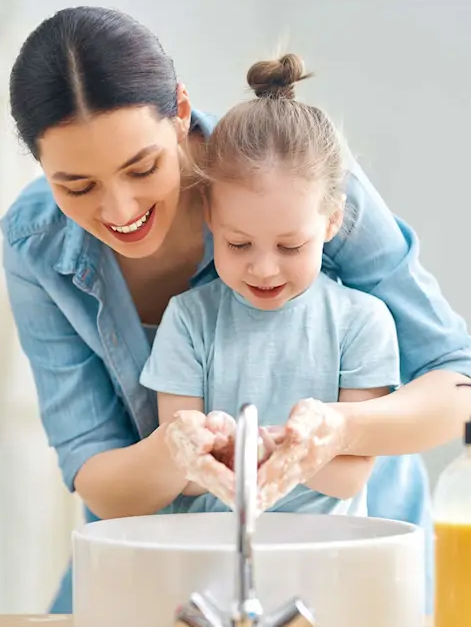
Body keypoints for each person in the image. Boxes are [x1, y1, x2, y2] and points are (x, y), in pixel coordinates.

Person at [3, 6, 471, 613]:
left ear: (180, 112)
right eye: (77, 186)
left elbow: (462, 387)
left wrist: (342, 430)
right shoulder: (37, 244)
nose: (118, 207)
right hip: (168, 562)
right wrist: (172, 452)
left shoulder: (298, 176)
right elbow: (94, 471)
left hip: (351, 559)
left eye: (142, 166)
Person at [140, 53, 402, 516]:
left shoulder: (362, 323)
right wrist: (211, 447)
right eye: (239, 244)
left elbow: (349, 476)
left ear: (332, 221)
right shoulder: (188, 320)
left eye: (290, 247)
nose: (264, 269)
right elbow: (184, 478)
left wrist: (255, 448)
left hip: (327, 559)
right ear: (210, 217)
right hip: (214, 555)